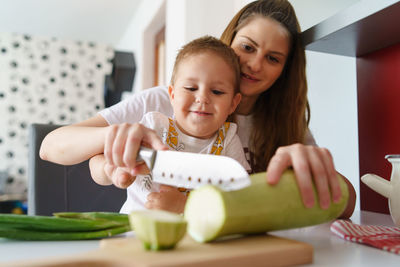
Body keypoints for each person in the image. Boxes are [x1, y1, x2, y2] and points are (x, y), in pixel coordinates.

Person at [40, 0, 356, 217]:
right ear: (229, 41)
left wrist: (322, 173)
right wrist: (114, 141)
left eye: (273, 58)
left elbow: (347, 203)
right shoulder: (163, 102)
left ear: (285, 69)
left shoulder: (287, 124)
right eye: (247, 47)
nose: (254, 64)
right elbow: (51, 146)